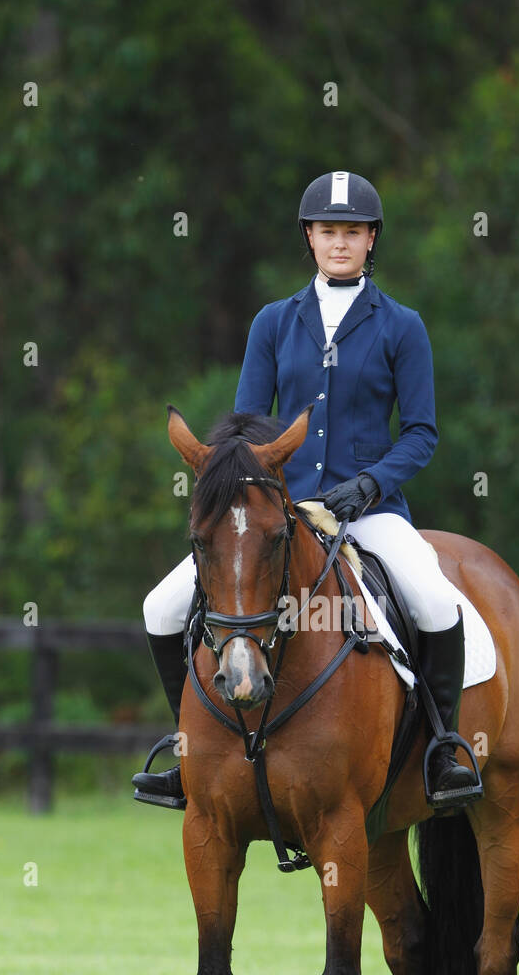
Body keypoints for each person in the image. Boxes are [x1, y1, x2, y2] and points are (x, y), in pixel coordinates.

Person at [133, 171, 480, 811]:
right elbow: (242, 429)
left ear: (371, 240)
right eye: (328, 231)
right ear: (310, 239)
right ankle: (190, 751)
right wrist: (256, 493)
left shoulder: (403, 326)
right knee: (160, 607)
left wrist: (371, 484)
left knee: (435, 600)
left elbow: (423, 433)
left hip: (368, 515)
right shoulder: (272, 323)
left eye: (353, 232)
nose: (340, 242)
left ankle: (442, 751)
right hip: (275, 515)